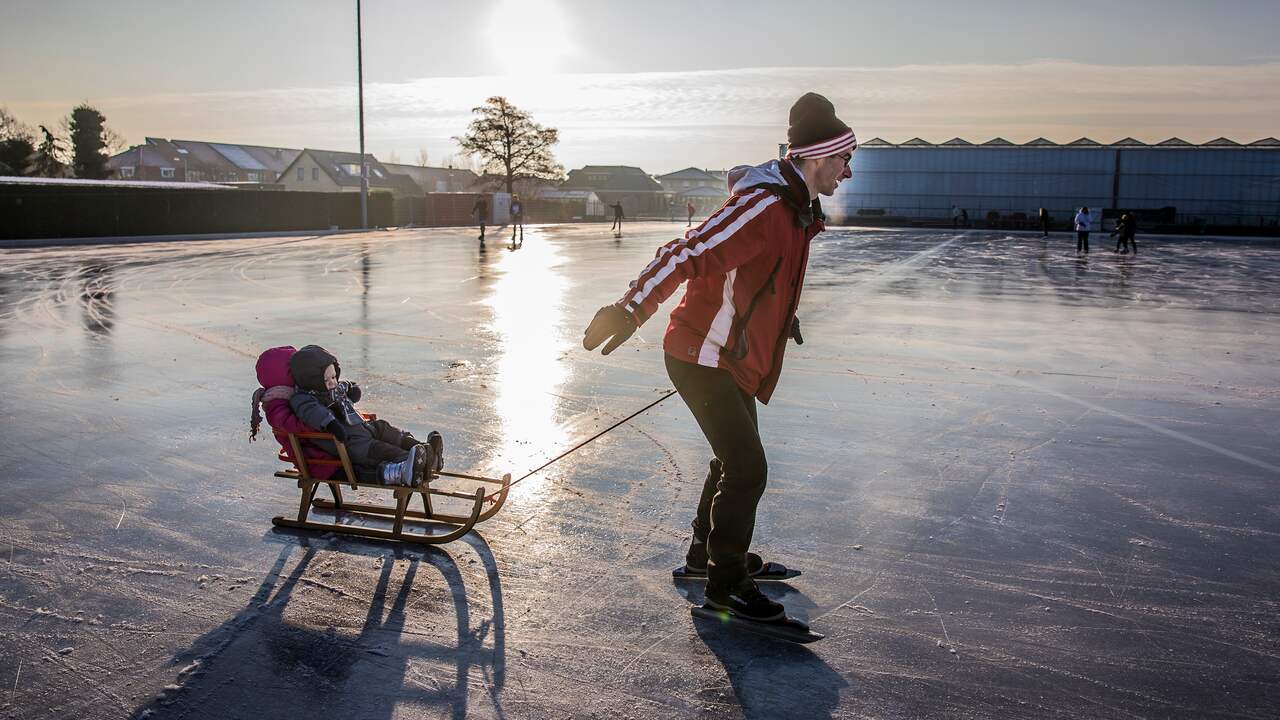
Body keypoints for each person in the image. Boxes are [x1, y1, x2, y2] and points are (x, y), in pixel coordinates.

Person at [583, 91, 855, 623]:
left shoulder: (796, 207)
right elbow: (684, 253)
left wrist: (780, 319)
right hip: (700, 353)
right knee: (747, 467)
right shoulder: (764, 206)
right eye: (845, 159)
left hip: (731, 355)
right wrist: (630, 308)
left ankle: (706, 557)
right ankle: (726, 584)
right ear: (818, 157)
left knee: (733, 459)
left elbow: (761, 279)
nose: (848, 171)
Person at [250, 345, 443, 487]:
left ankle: (424, 452)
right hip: (320, 454)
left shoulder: (310, 389)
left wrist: (349, 392)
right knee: (379, 450)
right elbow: (297, 421)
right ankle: (408, 466)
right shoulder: (281, 401)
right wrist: (328, 423)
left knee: (385, 429)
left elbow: (340, 390)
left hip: (348, 433)